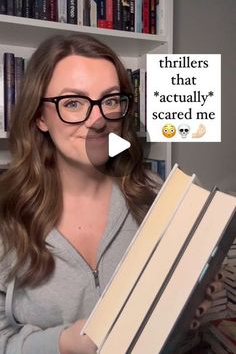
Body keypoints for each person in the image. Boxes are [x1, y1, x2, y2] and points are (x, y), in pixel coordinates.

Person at [0, 33, 224, 354]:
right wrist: (62, 344)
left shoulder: (155, 195)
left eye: (110, 100)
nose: (99, 120)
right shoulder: (5, 211)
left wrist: (190, 304)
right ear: (40, 116)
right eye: (73, 103)